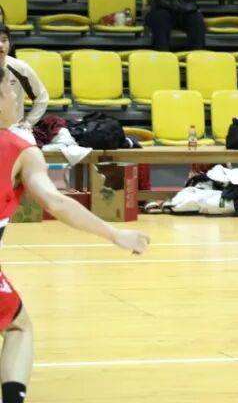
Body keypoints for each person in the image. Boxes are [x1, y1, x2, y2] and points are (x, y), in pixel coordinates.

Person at [0, 65, 149, 403]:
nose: (17, 97)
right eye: (10, 88)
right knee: (19, 327)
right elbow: (57, 203)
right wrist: (114, 234)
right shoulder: (21, 150)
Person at [0, 26, 48, 138]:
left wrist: (29, 122)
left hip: (13, 130)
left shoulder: (20, 68)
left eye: (4, 40)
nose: (0, 45)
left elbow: (41, 97)